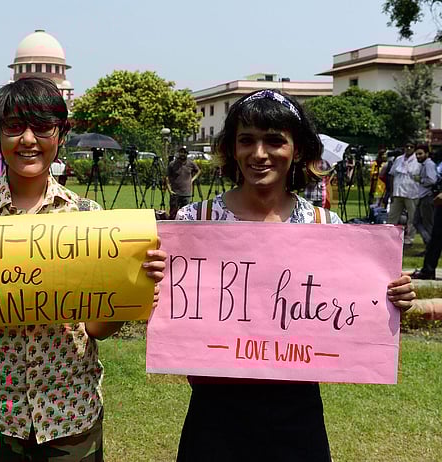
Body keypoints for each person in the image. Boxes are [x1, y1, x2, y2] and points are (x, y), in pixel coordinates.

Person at [0, 77, 167, 461]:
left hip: (69, 414)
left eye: (42, 127)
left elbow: (97, 329)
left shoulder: (90, 220)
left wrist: (132, 289)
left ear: (61, 134)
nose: (28, 139)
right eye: (14, 127)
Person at [173, 89, 415, 461]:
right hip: (214, 408)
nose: (259, 154)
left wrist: (391, 296)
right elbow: (173, 303)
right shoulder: (194, 222)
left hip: (296, 408)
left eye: (274, 141)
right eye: (246, 140)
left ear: (297, 149)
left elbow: (356, 304)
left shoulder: (325, 226)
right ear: (232, 149)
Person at [387, 142, 421, 245]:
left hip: (412, 193)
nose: (409, 148)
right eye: (407, 146)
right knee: (392, 216)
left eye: (411, 147)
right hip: (397, 192)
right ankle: (389, 236)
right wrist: (391, 191)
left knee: (412, 217)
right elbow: (392, 175)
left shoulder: (418, 160)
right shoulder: (398, 159)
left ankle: (409, 238)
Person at [412, 144, 437, 247]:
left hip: (428, 197)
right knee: (416, 221)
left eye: (420, 154)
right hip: (423, 197)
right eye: (417, 154)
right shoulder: (424, 165)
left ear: (427, 153)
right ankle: (429, 244)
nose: (418, 156)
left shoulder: (429, 164)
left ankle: (431, 246)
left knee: (428, 224)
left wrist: (420, 180)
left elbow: (432, 180)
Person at [166, 146, 201, 219]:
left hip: (186, 193)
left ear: (187, 154)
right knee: (173, 213)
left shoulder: (191, 163)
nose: (182, 154)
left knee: (186, 213)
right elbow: (167, 177)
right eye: (181, 152)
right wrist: (169, 190)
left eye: (184, 152)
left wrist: (192, 179)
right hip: (175, 193)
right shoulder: (172, 164)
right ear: (178, 153)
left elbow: (198, 171)